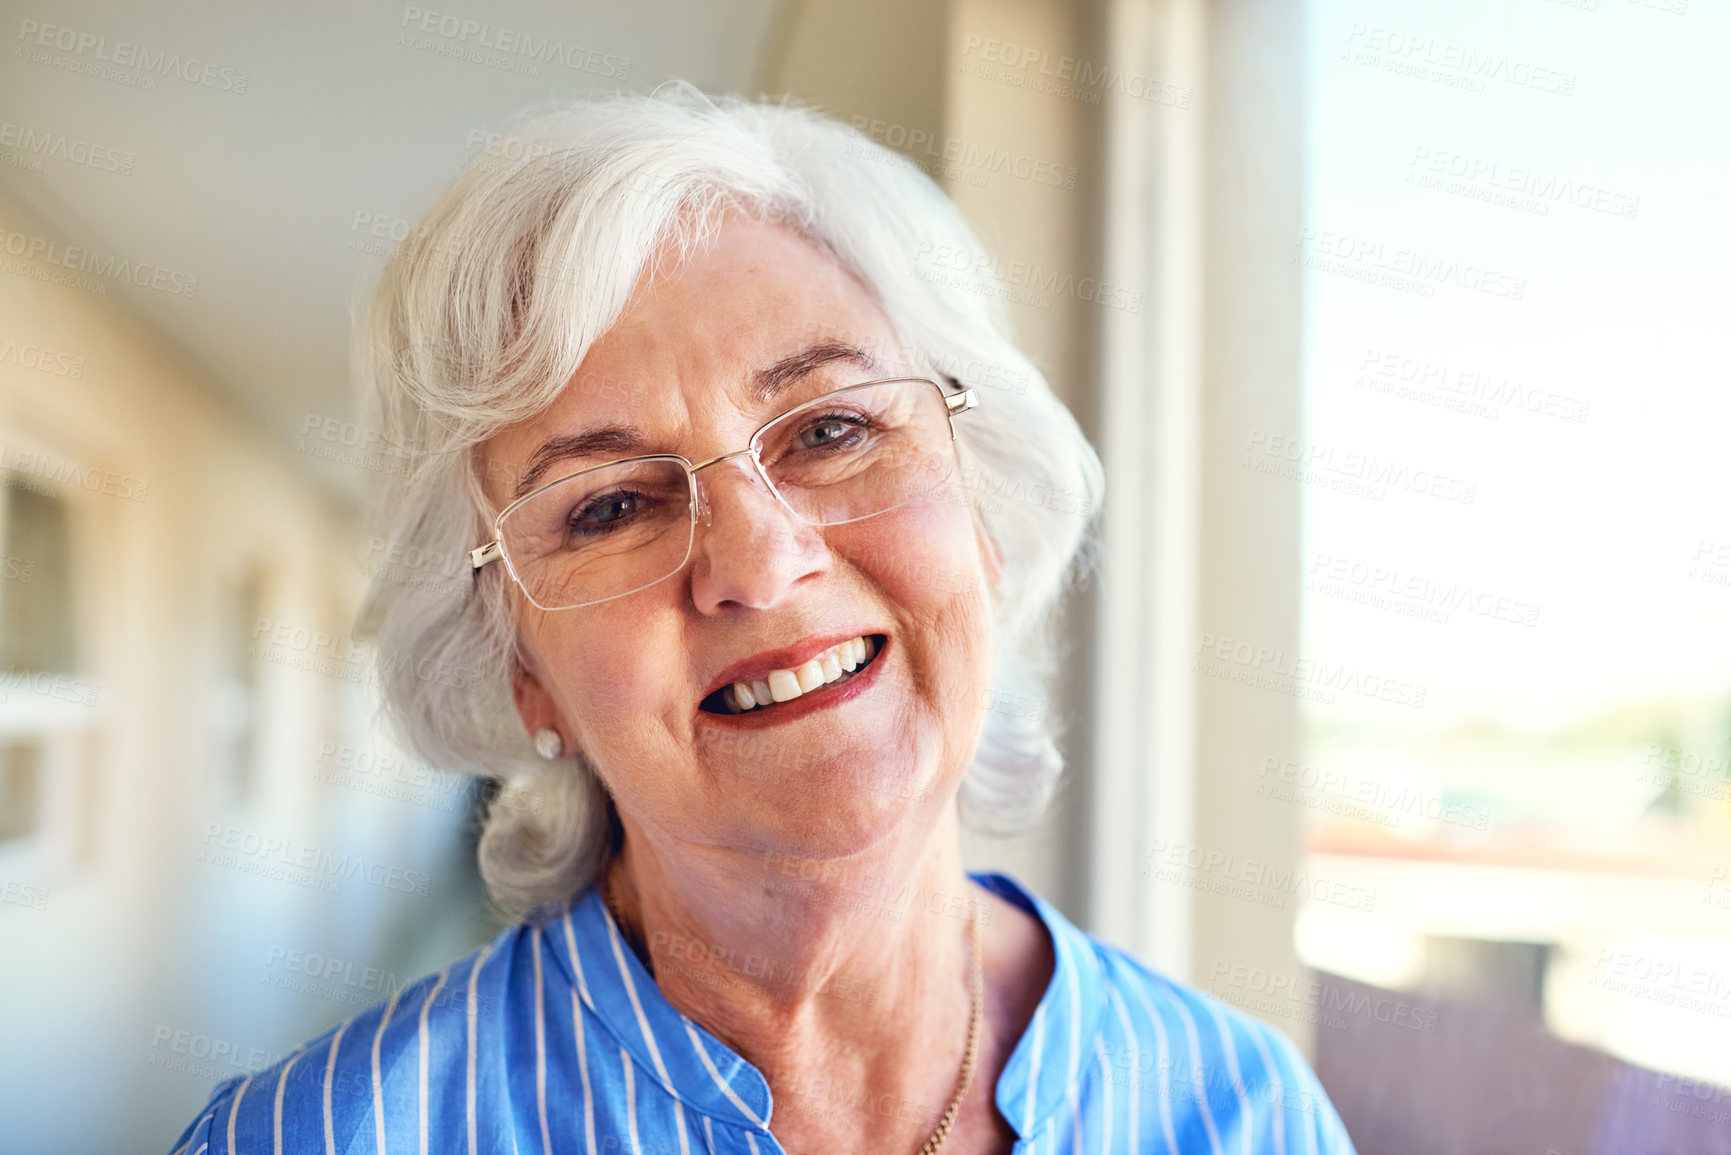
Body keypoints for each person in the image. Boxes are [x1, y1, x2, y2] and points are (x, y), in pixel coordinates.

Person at [169, 86, 1355, 1154]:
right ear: (519, 666)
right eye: (613, 504)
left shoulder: (1236, 1110)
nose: (760, 563)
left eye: (832, 430)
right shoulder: (321, 1138)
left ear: (984, 509)